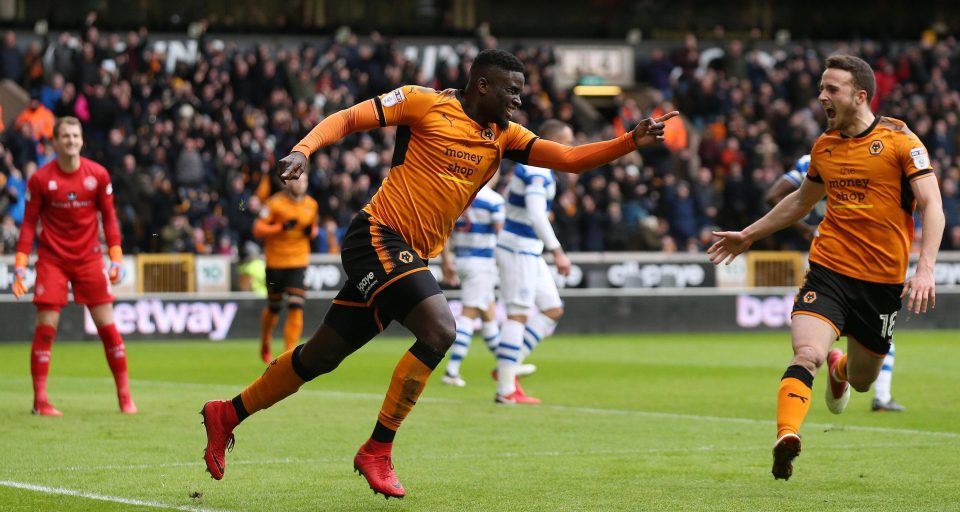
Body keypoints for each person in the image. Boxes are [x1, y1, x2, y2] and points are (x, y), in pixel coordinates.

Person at [200, 48, 677, 499]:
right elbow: (348, 118)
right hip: (377, 236)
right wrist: (304, 150)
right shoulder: (422, 103)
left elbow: (570, 160)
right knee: (439, 329)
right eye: (511, 90)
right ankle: (378, 449)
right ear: (481, 85)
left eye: (521, 91)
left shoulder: (504, 136)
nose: (518, 99)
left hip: (410, 255)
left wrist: (629, 142)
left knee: (320, 356)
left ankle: (228, 413)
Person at [709, 54, 943, 481]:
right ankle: (786, 436)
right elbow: (801, 201)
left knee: (862, 381)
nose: (821, 97)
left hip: (882, 284)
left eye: (831, 89)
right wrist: (748, 235)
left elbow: (932, 205)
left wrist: (925, 269)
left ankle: (840, 370)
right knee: (806, 353)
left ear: (860, 95)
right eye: (820, 88)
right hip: (829, 271)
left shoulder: (900, 141)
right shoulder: (824, 146)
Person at [12, 116, 136, 416]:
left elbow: (109, 218)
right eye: (65, 136)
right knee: (46, 328)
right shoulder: (40, 179)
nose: (70, 140)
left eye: (75, 135)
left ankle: (125, 397)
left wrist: (116, 257)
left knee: (108, 327)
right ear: (55, 141)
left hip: (90, 258)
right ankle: (40, 401)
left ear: (81, 140)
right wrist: (19, 264)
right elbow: (28, 224)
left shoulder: (98, 175)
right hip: (52, 260)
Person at [765, 154, 905, 413]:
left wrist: (806, 227)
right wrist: (806, 228)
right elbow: (778, 195)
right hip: (835, 257)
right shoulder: (822, 159)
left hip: (849, 257)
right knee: (819, 348)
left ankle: (844, 372)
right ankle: (881, 396)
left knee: (871, 344)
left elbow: (774, 194)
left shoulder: (810, 160)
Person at [493, 119, 575, 404]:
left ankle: (509, 365)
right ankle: (505, 389)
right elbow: (537, 213)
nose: (570, 147)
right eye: (567, 141)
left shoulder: (538, 169)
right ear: (553, 142)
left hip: (528, 249)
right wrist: (558, 251)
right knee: (518, 314)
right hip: (518, 249)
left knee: (552, 309)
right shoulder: (537, 170)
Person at [440, 178, 506, 387]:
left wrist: (446, 260)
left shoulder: (459, 194)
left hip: (461, 259)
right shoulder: (494, 200)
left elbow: (445, 231)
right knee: (469, 315)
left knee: (488, 316)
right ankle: (452, 370)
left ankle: (508, 364)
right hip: (482, 263)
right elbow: (501, 235)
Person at [252, 172, 319, 363]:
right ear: (288, 182)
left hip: (298, 262)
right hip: (276, 262)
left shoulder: (312, 205)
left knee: (296, 305)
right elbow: (257, 229)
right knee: (274, 307)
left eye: (305, 180)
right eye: (298, 180)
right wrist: (280, 228)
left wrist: (311, 232)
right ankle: (266, 339)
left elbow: (313, 228)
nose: (301, 184)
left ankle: (288, 356)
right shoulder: (273, 204)